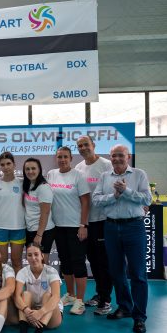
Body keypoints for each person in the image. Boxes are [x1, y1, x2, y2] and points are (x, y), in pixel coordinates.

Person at [92, 144, 152, 333]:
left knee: (138, 274)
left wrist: (126, 191)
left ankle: (139, 317)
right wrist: (114, 196)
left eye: (121, 155)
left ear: (128, 157)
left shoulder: (139, 174)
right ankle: (125, 307)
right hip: (110, 227)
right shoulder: (104, 176)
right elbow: (96, 200)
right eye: (113, 156)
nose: (117, 159)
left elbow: (147, 199)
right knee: (116, 271)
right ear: (110, 158)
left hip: (134, 226)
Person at [47, 146, 90, 315]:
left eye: (65, 157)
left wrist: (83, 225)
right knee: (65, 261)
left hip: (75, 227)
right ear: (56, 158)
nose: (62, 160)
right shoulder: (51, 174)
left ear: (71, 158)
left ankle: (80, 301)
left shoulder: (78, 175)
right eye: (60, 157)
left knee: (78, 262)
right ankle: (71, 295)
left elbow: (85, 201)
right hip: (58, 226)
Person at [75, 135, 114, 315]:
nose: (83, 148)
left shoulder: (106, 165)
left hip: (102, 221)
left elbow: (113, 190)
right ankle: (100, 294)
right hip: (86, 222)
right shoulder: (79, 167)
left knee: (103, 262)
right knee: (93, 260)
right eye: (80, 146)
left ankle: (106, 300)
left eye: (86, 144)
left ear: (94, 145)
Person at [13, 244, 63, 333]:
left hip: (50, 316)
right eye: (29, 255)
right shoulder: (23, 272)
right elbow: (16, 297)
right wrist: (26, 310)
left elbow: (56, 297)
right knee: (25, 294)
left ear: (42, 256)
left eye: (36, 254)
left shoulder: (51, 271)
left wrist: (41, 312)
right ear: (26, 258)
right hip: (31, 315)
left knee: (48, 295)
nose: (33, 258)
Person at [0, 152, 26, 270]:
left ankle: (18, 283)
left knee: (17, 261)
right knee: (2, 261)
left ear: (14, 165)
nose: (6, 167)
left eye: (8, 164)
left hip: (18, 226)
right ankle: (3, 282)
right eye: (2, 164)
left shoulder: (22, 182)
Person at [22, 158, 55, 265]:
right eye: (27, 169)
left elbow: (45, 213)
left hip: (43, 232)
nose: (30, 171)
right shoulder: (28, 185)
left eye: (33, 168)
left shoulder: (43, 187)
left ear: (39, 170)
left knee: (41, 264)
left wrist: (39, 235)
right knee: (33, 264)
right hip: (30, 229)